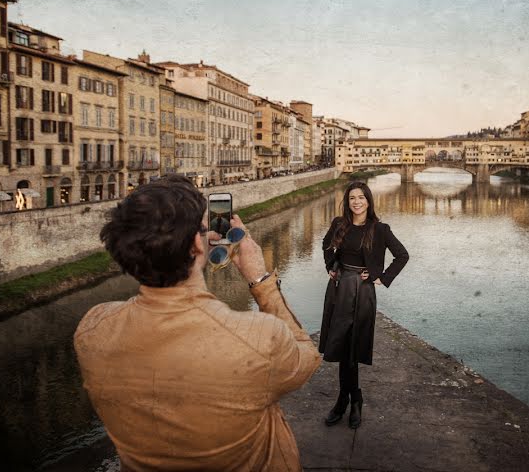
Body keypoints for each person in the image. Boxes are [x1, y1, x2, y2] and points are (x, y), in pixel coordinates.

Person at [74, 174, 321, 471]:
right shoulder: (257, 337)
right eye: (204, 229)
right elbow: (306, 358)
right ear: (197, 244)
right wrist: (260, 280)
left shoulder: (93, 328)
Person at [319, 180, 409, 429]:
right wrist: (331, 266)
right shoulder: (340, 224)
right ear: (347, 202)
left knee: (353, 348)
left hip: (362, 291)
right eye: (352, 198)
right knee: (340, 346)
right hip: (339, 289)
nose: (356, 202)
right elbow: (327, 246)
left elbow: (402, 256)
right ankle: (348, 399)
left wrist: (381, 276)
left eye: (361, 197)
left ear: (369, 200)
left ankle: (349, 401)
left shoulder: (379, 229)